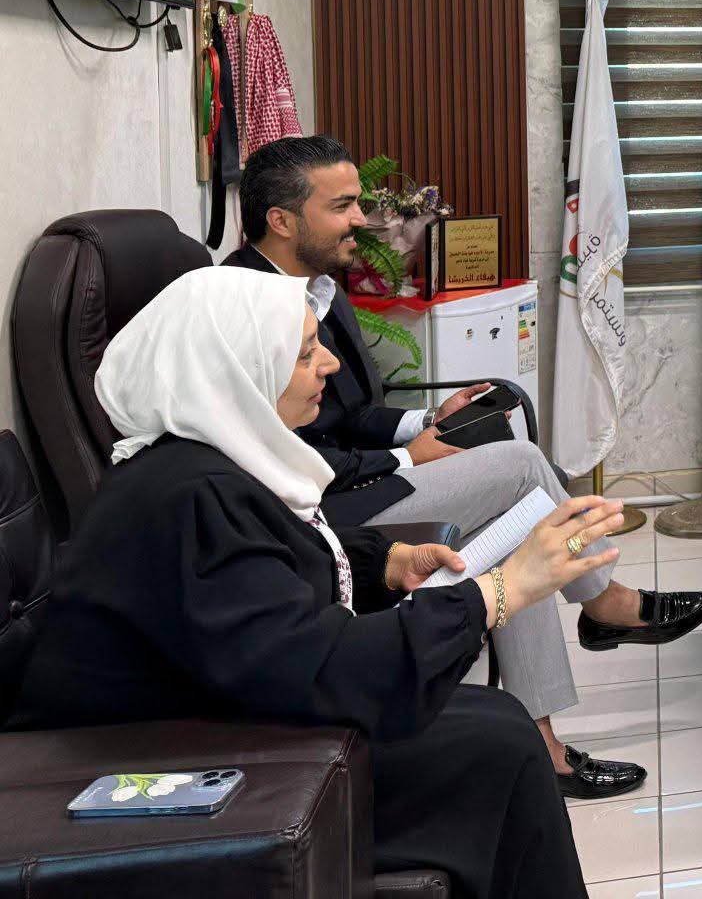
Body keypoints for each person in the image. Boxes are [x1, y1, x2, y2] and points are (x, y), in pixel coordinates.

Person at [6, 267, 611, 898]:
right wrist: (499, 590)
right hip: (159, 761)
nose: (329, 364)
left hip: (209, 715)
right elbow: (327, 669)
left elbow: (265, 579)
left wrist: (385, 563)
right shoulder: (191, 500)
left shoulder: (201, 463)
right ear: (239, 371)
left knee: (498, 722)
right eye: (304, 353)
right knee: (499, 749)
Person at [223, 136, 702, 799]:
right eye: (341, 207)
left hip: (360, 478)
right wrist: (407, 456)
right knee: (521, 468)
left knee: (519, 520)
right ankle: (603, 603)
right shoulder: (245, 309)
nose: (361, 221)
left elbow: (350, 412)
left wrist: (424, 422)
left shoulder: (320, 285)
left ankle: (543, 747)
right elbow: (284, 453)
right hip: (320, 508)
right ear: (281, 220)